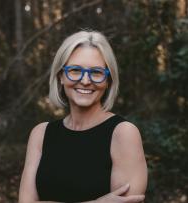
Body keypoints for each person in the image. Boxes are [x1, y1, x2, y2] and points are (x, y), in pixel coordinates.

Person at [18, 30, 148, 203]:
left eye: (96, 72)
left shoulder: (123, 134)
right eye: (75, 70)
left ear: (108, 80)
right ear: (61, 76)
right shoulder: (40, 134)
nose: (85, 81)